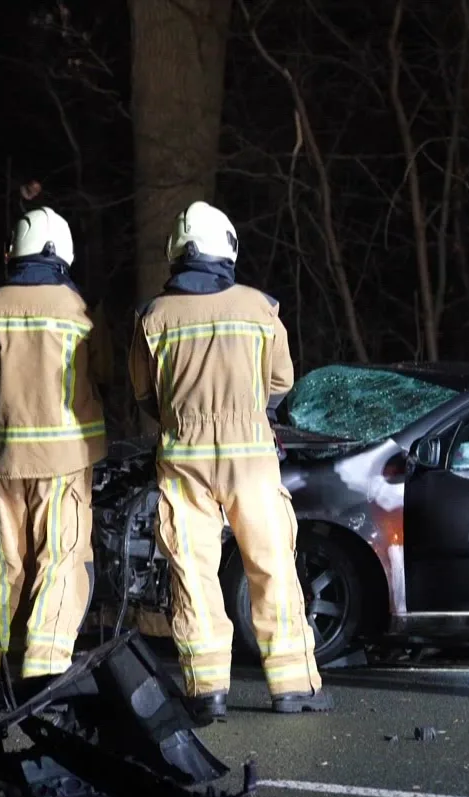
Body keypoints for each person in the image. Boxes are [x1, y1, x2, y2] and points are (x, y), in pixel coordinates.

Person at [130, 200, 330, 721]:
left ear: (176, 251)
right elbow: (281, 382)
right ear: (230, 248)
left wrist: (180, 414)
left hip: (184, 457)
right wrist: (247, 410)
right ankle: (293, 687)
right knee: (271, 565)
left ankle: (206, 690)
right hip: (251, 456)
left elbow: (144, 393)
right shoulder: (261, 308)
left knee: (193, 572)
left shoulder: (153, 316)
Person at [0, 207, 107, 680]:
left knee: (7, 566)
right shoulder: (77, 310)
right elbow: (101, 374)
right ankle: (44, 674)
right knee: (60, 561)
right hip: (64, 461)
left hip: (4, 458)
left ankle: (2, 674)